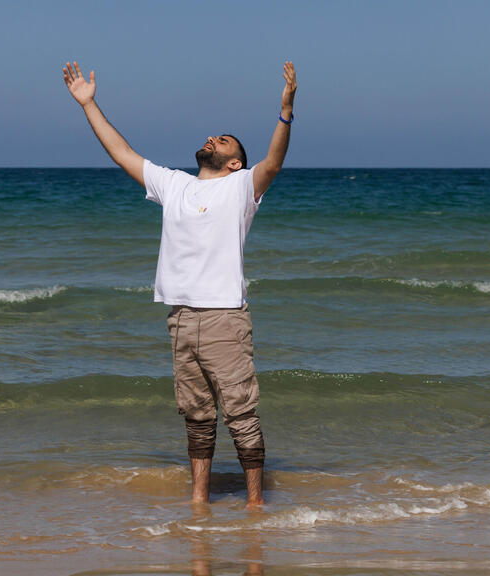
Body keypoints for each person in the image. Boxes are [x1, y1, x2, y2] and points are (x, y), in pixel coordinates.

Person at [62, 60, 297, 508]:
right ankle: (198, 502)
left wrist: (285, 111)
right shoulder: (173, 185)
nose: (212, 138)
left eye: (222, 140)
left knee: (241, 414)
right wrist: (89, 105)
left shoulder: (243, 187)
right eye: (212, 135)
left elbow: (275, 162)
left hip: (225, 316)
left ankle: (253, 506)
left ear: (234, 162)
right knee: (196, 417)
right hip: (180, 317)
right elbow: (121, 153)